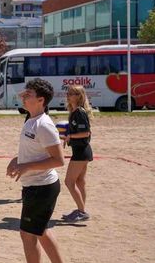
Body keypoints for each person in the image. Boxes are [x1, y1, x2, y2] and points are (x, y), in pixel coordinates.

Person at [6, 78, 65, 263]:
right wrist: (17, 160)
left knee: (29, 234)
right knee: (40, 232)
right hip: (34, 186)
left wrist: (26, 166)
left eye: (29, 94)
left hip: (42, 187)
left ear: (41, 100)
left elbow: (59, 160)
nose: (24, 97)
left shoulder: (44, 124)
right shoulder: (31, 120)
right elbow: (34, 151)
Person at [61, 85, 93, 222]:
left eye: (72, 93)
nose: (68, 95)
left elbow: (86, 133)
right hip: (81, 150)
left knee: (69, 182)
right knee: (80, 182)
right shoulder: (74, 111)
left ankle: (81, 211)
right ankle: (81, 210)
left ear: (79, 96)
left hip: (81, 151)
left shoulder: (79, 112)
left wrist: (70, 137)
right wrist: (67, 136)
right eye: (68, 92)